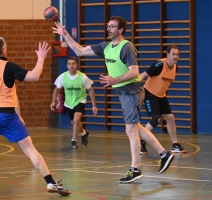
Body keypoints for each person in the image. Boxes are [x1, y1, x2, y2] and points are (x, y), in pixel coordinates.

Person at [53, 16, 174, 183]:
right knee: (136, 128)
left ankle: (135, 169)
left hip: (132, 92)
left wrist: (114, 80)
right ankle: (164, 154)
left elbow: (134, 72)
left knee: (130, 131)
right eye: (108, 26)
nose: (108, 29)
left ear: (121, 30)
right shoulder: (106, 47)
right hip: (124, 93)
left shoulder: (127, 47)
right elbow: (80, 51)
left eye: (112, 27)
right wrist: (65, 34)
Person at [0, 20, 71, 196]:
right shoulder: (9, 66)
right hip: (7, 116)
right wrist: (41, 59)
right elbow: (34, 76)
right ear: (4, 50)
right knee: (30, 150)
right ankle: (50, 183)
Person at [139, 45, 187, 155]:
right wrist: (135, 87)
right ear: (168, 55)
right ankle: (142, 142)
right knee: (156, 119)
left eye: (177, 54)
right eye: (173, 54)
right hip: (149, 93)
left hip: (161, 95)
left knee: (170, 118)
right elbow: (144, 75)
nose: (175, 56)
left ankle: (175, 145)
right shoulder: (160, 64)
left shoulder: (175, 68)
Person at [50, 57, 97, 149]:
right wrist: (53, 101)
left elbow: (91, 90)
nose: (71, 65)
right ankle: (84, 132)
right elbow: (56, 89)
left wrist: (94, 105)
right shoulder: (63, 77)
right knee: (74, 122)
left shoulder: (83, 77)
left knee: (76, 119)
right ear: (67, 65)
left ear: (77, 65)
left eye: (73, 63)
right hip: (68, 103)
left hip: (80, 100)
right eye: (69, 63)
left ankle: (74, 140)